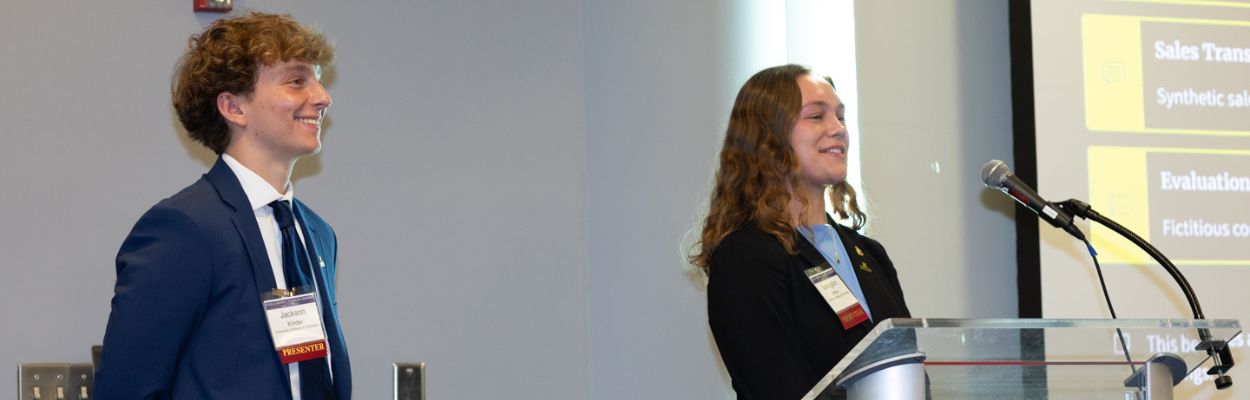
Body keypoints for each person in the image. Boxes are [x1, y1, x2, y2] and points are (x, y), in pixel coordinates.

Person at [95, 12, 351, 399]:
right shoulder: (184, 229)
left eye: (318, 79)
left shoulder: (318, 234)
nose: (322, 97)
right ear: (233, 108)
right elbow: (125, 390)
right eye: (297, 80)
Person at [692, 64, 910, 399]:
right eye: (816, 116)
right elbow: (779, 387)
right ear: (769, 137)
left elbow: (908, 373)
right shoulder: (747, 256)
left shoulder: (870, 254)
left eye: (840, 116)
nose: (838, 129)